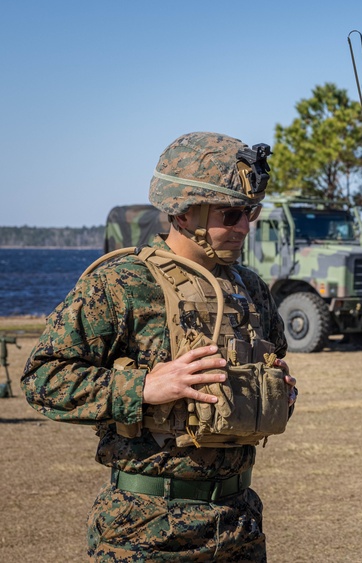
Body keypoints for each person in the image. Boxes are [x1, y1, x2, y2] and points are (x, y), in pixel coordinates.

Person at [23, 131, 297, 561]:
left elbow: (274, 366)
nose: (245, 226)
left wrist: (278, 390)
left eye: (251, 212)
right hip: (147, 528)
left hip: (238, 523)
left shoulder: (252, 289)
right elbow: (43, 378)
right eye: (231, 214)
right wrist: (143, 387)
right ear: (184, 213)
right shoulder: (121, 284)